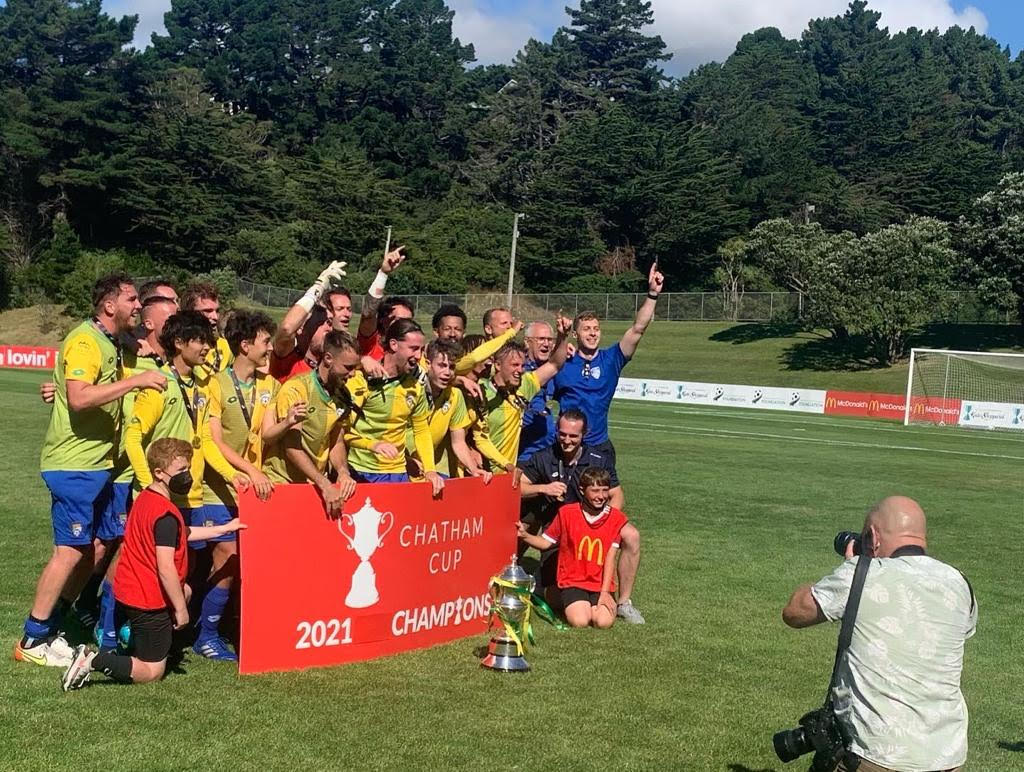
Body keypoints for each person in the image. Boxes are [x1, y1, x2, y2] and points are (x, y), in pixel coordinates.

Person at [16, 275, 168, 668]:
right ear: (108, 305)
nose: (138, 305)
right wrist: (136, 381)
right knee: (68, 552)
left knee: (95, 547)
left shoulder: (111, 341)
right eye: (132, 299)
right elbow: (80, 398)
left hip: (97, 466)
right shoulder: (85, 341)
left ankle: (51, 628)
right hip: (74, 466)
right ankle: (32, 639)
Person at [782, 496, 977, 772]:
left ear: (872, 536)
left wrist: (852, 566)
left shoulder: (861, 573)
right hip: (945, 755)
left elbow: (794, 613)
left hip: (877, 754)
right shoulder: (959, 582)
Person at [61, 439, 245, 690]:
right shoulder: (166, 515)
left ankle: (134, 634)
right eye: (181, 471)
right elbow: (166, 568)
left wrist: (224, 529)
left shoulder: (147, 499)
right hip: (147, 600)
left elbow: (181, 533)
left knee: (187, 590)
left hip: (129, 590)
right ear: (159, 472)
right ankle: (92, 659)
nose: (187, 477)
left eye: (188, 469)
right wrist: (180, 610)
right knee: (152, 671)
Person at [195, 310, 280, 661]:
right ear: (245, 345)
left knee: (241, 562)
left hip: (254, 488)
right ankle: (206, 635)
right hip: (220, 487)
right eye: (265, 342)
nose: (270, 348)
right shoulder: (215, 384)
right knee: (226, 558)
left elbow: (269, 431)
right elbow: (212, 441)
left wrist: (289, 422)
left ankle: (221, 628)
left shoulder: (269, 386)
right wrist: (247, 470)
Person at [124, 311, 250, 548]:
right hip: (160, 495)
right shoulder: (159, 385)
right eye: (199, 341)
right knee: (152, 567)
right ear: (179, 343)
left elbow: (206, 441)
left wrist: (231, 475)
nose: (206, 348)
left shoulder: (201, 387)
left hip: (191, 494)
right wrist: (149, 486)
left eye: (208, 342)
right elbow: (133, 438)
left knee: (185, 570)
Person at [518, 409, 645, 624]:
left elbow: (617, 495)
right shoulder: (544, 457)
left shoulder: (598, 458)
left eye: (573, 436)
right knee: (557, 602)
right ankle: (542, 585)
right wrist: (543, 488)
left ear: (584, 434)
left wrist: (605, 524)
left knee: (632, 535)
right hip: (560, 528)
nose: (567, 440)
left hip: (596, 522)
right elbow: (518, 487)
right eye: (563, 434)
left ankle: (623, 603)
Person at [552, 262, 664, 463]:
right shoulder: (562, 362)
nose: (593, 333)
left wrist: (652, 294)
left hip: (599, 445)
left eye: (596, 328)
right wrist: (559, 343)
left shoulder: (612, 359)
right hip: (565, 446)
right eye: (587, 329)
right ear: (576, 334)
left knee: (603, 495)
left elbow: (638, 329)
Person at [263, 330, 361, 516]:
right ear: (328, 358)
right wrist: (324, 483)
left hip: (315, 487)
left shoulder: (342, 394)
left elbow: (337, 442)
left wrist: (342, 472)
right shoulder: (297, 388)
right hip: (282, 484)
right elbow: (292, 447)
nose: (353, 374)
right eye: (348, 367)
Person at [517, 467, 626, 629]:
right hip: (573, 580)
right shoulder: (567, 513)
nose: (601, 496)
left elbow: (610, 558)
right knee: (580, 621)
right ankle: (549, 593)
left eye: (604, 491)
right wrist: (525, 536)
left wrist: (604, 593)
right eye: (595, 491)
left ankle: (573, 598)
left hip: (599, 583)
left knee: (602, 622)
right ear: (582, 490)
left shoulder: (616, 518)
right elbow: (546, 542)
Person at [345, 319, 443, 495]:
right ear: (393, 344)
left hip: (397, 473)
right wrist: (372, 445)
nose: (419, 356)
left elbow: (421, 430)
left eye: (421, 349)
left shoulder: (415, 386)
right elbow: (342, 430)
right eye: (413, 348)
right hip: (361, 471)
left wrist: (430, 470)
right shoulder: (361, 380)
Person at [477, 315, 571, 473]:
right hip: (481, 470)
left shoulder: (524, 383)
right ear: (497, 365)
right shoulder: (481, 389)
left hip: (509, 470)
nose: (520, 370)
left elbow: (555, 364)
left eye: (522, 366)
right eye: (514, 365)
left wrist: (562, 336)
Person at [408, 339, 491, 481]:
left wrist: (474, 469)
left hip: (429, 473)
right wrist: (405, 460)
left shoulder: (455, 396)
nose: (447, 372)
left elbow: (458, 442)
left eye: (451, 367)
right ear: (428, 364)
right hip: (399, 468)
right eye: (441, 365)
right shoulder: (411, 391)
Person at [270, 261, 347, 381]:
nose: (329, 329)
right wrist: (319, 285)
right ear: (301, 326)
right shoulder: (288, 358)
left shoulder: (329, 364)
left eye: (330, 323)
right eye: (321, 322)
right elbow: (287, 328)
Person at [356, 245, 412, 361]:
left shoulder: (413, 352)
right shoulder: (371, 344)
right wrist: (383, 274)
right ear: (383, 320)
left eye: (409, 321)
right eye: (399, 320)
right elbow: (368, 313)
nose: (405, 326)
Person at [518, 321, 557, 463]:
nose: (546, 344)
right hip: (524, 456)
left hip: (549, 455)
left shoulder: (555, 371)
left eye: (550, 340)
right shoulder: (518, 370)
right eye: (541, 339)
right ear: (527, 342)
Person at [182, 283, 233, 377]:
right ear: (189, 313)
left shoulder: (226, 346)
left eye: (217, 311)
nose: (215, 317)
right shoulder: (179, 346)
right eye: (207, 311)